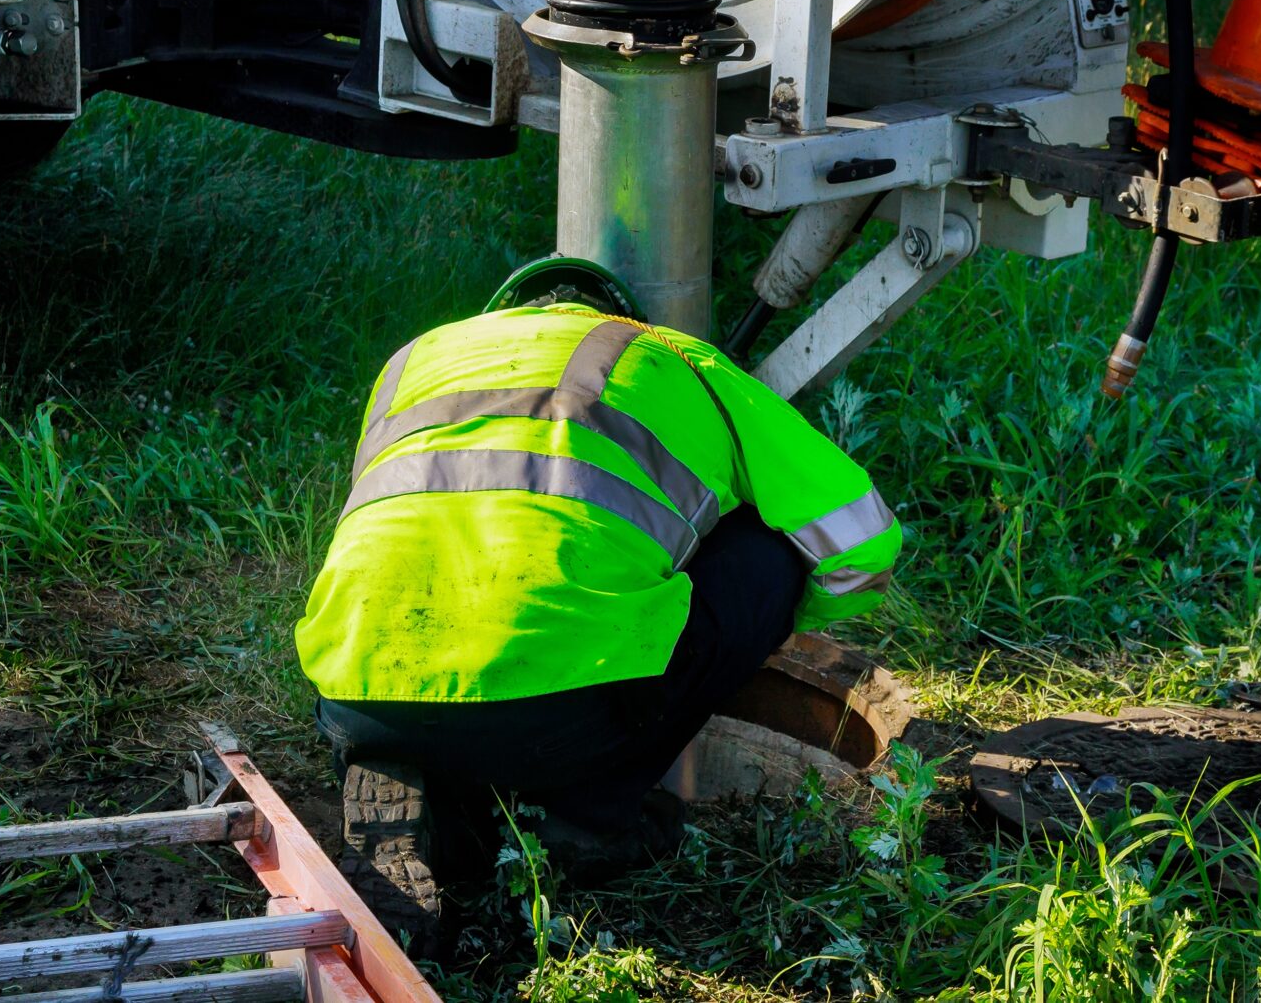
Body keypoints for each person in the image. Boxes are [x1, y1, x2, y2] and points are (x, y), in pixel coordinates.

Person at [294, 255, 902, 942]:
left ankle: (437, 800)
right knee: (769, 554)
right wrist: (758, 627)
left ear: (502, 316)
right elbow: (863, 540)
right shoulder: (667, 354)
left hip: (355, 691)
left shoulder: (412, 361)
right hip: (557, 717)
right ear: (614, 316)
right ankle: (586, 819)